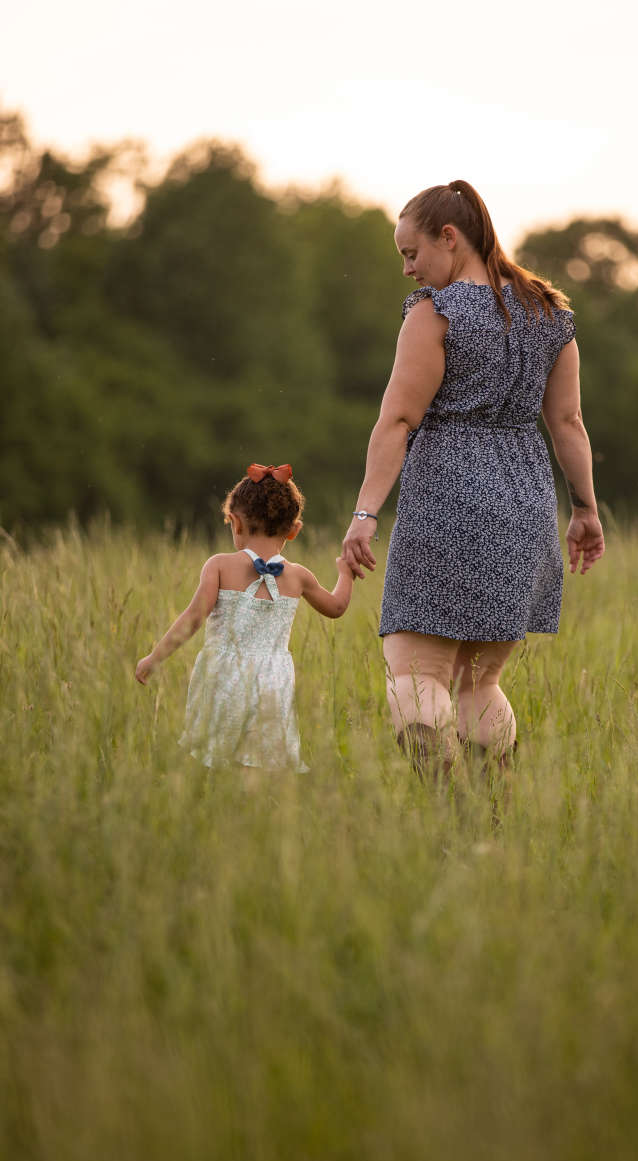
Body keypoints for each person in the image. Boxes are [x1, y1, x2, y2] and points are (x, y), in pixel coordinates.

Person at [341, 180, 604, 771]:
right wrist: (585, 510)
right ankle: (491, 824)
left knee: (415, 674)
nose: (408, 270)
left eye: (412, 253)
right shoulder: (549, 313)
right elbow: (568, 423)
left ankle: (443, 819)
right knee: (478, 685)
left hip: (449, 495)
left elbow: (399, 419)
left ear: (450, 238)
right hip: (525, 502)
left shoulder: (436, 312)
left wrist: (364, 514)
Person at [136, 462, 355, 770]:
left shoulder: (220, 565)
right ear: (294, 531)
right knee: (265, 763)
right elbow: (336, 608)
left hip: (223, 678)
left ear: (235, 523)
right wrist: (346, 573)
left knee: (218, 760)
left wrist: (153, 659)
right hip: (274, 684)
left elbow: (193, 618)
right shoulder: (298, 576)